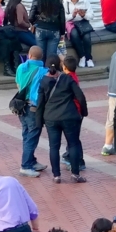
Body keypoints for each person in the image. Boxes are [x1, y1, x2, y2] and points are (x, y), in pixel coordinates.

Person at [40, 55, 89, 185]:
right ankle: (75, 174)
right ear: (60, 65)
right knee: (73, 144)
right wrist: (83, 112)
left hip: (51, 117)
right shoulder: (67, 79)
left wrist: (39, 120)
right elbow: (80, 96)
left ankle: (56, 175)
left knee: (53, 147)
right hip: (69, 116)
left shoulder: (43, 81)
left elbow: (40, 103)